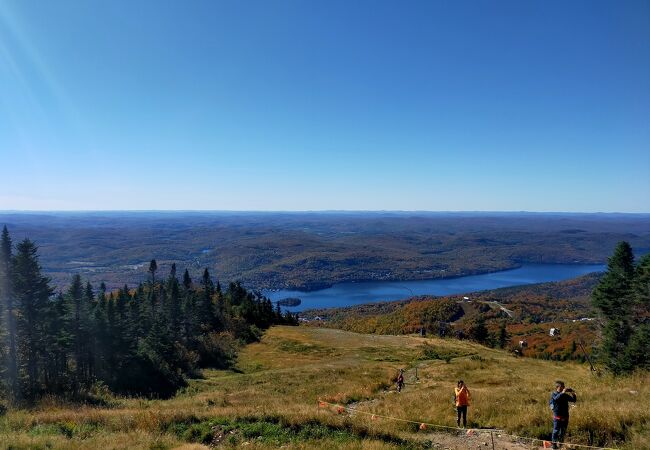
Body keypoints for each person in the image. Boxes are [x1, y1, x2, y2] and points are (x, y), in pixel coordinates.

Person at [549, 380, 577, 449]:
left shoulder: (564, 395)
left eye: (564, 386)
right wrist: (563, 392)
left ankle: (560, 445)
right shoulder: (554, 394)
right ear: (558, 387)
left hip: (565, 416)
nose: (564, 387)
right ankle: (554, 445)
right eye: (563, 386)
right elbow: (556, 399)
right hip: (557, 416)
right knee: (556, 431)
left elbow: (573, 400)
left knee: (563, 432)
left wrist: (572, 392)